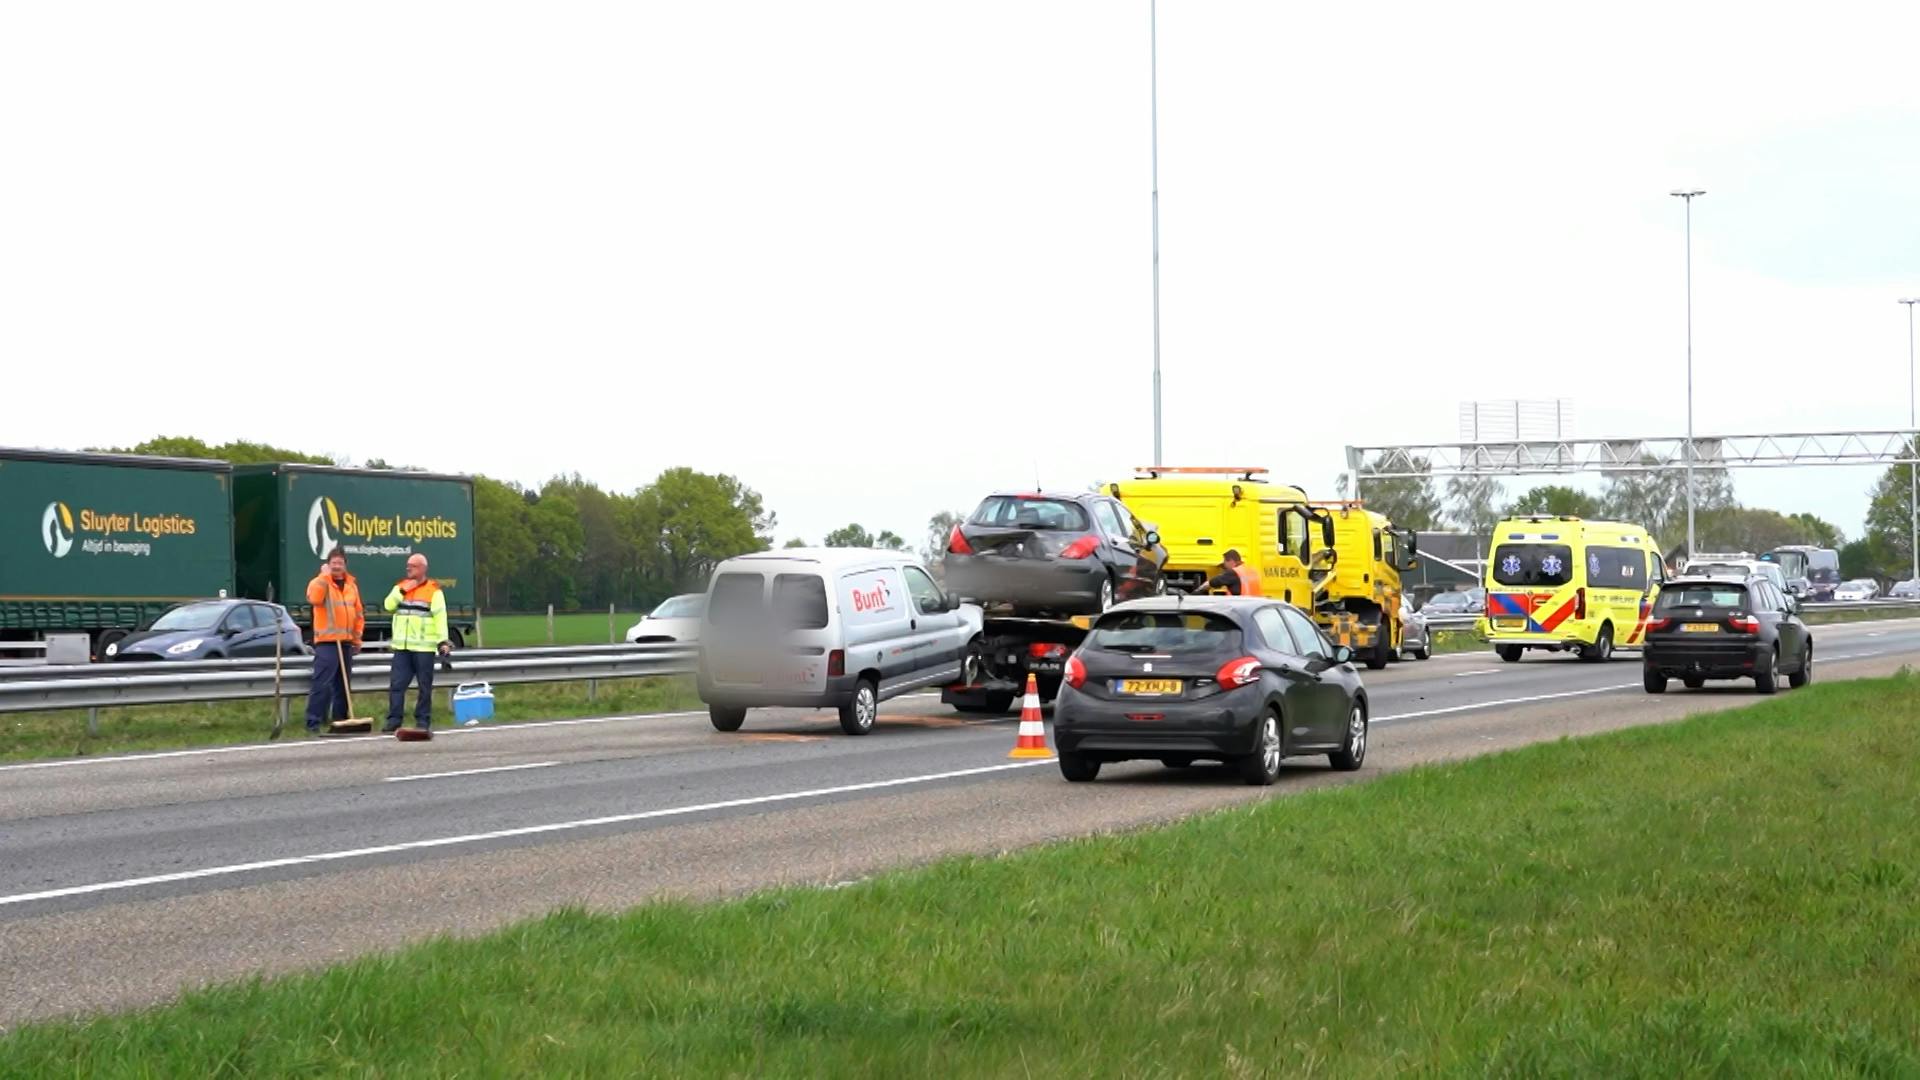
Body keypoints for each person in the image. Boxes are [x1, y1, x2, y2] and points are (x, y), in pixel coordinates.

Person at [383, 553, 452, 733]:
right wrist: (403, 590)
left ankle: (422, 720)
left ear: (422, 568)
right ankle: (394, 720)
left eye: (412, 565)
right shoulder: (400, 587)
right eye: (408, 565)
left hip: (424, 648)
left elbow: (440, 618)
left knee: (424, 687)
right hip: (402, 648)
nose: (408, 568)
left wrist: (443, 642)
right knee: (397, 685)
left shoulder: (434, 591)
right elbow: (388, 605)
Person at [305, 546, 365, 732]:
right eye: (333, 563)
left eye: (340, 563)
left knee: (343, 685)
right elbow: (314, 599)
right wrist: (324, 577)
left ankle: (340, 719)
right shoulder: (319, 582)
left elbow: (358, 614)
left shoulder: (351, 586)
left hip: (345, 642)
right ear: (327, 565)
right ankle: (313, 721)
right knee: (322, 683)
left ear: (345, 565)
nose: (337, 566)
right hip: (327, 642)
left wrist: (357, 639)